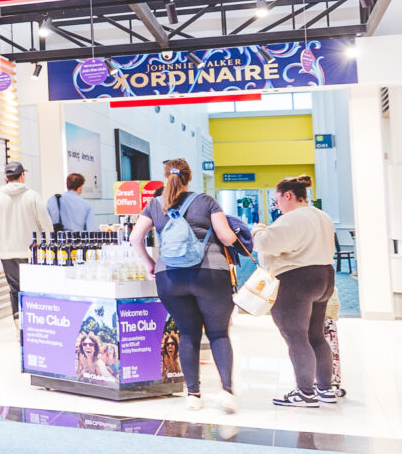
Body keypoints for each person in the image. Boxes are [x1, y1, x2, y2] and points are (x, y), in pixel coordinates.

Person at [130, 159, 243, 414]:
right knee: (218, 333)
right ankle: (226, 391)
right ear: (189, 178)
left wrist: (150, 262)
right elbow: (226, 237)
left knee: (188, 333)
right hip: (210, 274)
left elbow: (135, 238)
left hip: (169, 277)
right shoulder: (206, 201)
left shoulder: (154, 204)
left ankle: (193, 394)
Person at [254, 176, 339, 408]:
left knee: (296, 337)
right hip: (324, 277)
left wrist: (257, 230)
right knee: (316, 336)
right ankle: (325, 389)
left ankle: (305, 393)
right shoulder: (322, 216)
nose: (277, 205)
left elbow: (266, 243)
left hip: (296, 281)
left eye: (277, 200)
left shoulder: (292, 219)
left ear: (288, 195)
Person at [0, 162, 52, 316]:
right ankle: (33, 322)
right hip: (32, 253)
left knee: (14, 290)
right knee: (34, 288)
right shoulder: (33, 196)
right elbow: (47, 225)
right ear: (22, 175)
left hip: (7, 254)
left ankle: (19, 327)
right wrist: (49, 248)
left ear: (6, 177)